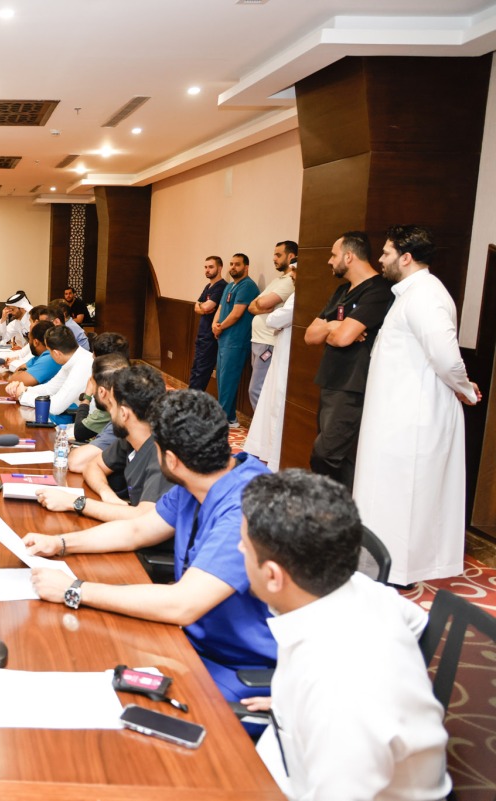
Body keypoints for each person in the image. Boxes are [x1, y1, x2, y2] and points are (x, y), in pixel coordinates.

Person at [24, 389, 276, 711]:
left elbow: (183, 604)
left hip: (235, 667)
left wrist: (74, 590)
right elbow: (137, 529)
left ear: (171, 459)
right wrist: (60, 544)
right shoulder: (201, 477)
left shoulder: (245, 507)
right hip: (188, 640)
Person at [238, 470, 450, 800]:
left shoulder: (340, 693)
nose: (238, 549)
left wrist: (322, 707)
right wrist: (292, 704)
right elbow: (420, 626)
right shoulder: (358, 588)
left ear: (273, 576)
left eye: (245, 547)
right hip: (284, 760)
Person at [354, 225, 481, 586]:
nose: (380, 259)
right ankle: (384, 564)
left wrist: (465, 389)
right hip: (396, 412)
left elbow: (446, 357)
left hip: (414, 416)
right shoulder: (409, 293)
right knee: (387, 492)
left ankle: (400, 570)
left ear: (406, 258)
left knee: (405, 494)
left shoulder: (426, 294)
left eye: (386, 252)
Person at [305, 232, 393, 491]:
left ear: (349, 256)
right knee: (338, 457)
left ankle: (328, 511)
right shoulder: (342, 291)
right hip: (331, 380)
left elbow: (343, 339)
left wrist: (334, 329)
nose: (330, 261)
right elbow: (311, 335)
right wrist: (335, 324)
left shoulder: (379, 290)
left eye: (333, 255)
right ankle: (341, 516)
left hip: (352, 385)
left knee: (326, 454)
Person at [36, 363, 173, 522]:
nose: (109, 413)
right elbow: (93, 466)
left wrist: (74, 502)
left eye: (111, 406)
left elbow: (144, 518)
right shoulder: (129, 438)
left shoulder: (163, 454)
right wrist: (107, 494)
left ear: (123, 413)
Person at [242, 292, 295, 471]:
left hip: (284, 354)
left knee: (265, 395)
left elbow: (273, 320)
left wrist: (273, 313)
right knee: (266, 397)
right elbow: (254, 306)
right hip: (275, 349)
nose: (292, 276)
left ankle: (271, 452)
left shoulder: (297, 293)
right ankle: (263, 448)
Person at [246, 241, 297, 410]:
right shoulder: (278, 280)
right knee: (258, 388)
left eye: (278, 255)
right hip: (258, 340)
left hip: (269, 342)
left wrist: (264, 305)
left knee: (256, 390)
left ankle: (260, 434)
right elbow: (252, 306)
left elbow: (264, 302)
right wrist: (263, 306)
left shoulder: (290, 282)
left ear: (291, 257)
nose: (274, 258)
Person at [211, 253, 259, 427]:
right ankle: (230, 417)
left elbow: (237, 313)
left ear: (246, 267)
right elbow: (221, 307)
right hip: (223, 338)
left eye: (237, 264)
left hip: (237, 340)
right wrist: (215, 325)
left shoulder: (248, 286)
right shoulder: (230, 285)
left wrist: (220, 326)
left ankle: (221, 418)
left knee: (229, 379)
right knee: (222, 379)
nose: (233, 267)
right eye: (231, 264)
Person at [14, 326, 92, 425]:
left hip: (89, 428)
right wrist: (24, 389)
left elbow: (56, 407)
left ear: (56, 353)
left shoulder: (83, 365)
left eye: (49, 351)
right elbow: (50, 388)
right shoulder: (74, 357)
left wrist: (23, 396)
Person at [69, 352, 130, 465]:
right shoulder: (121, 412)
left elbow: (75, 461)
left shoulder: (121, 420)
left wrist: (87, 396)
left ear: (101, 391)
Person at [73, 332, 131, 443]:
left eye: (94, 354)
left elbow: (80, 432)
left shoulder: (112, 391)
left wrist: (87, 396)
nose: (92, 356)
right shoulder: (129, 378)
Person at [188, 256, 226, 392]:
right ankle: (190, 398)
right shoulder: (208, 286)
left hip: (210, 337)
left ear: (220, 268)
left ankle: (194, 403)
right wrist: (203, 308)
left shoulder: (221, 286)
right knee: (195, 368)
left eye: (211, 267)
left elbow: (205, 306)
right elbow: (197, 306)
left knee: (202, 371)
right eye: (205, 267)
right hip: (202, 335)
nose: (207, 270)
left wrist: (203, 307)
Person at [3, 321, 62, 394]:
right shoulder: (40, 356)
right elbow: (15, 377)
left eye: (29, 340)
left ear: (35, 342)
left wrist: (22, 372)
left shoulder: (50, 358)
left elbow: (14, 380)